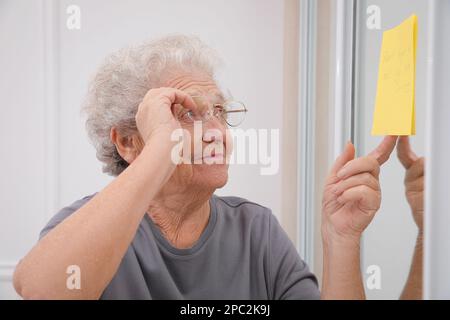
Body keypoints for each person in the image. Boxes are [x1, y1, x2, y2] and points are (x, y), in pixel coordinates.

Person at [13, 34, 398, 299]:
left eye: (219, 112)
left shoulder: (257, 232)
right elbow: (40, 289)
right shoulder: (90, 228)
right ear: (129, 142)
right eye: (186, 114)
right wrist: (160, 153)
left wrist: (341, 239)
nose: (216, 132)